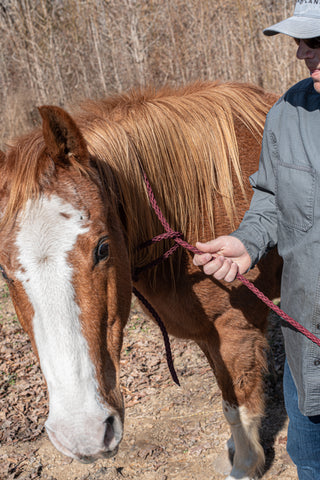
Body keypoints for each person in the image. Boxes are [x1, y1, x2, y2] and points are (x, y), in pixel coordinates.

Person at [193, 1, 320, 479]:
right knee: (309, 459)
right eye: (299, 42)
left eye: (316, 41)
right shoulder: (287, 113)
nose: (303, 54)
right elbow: (269, 199)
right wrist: (246, 243)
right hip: (307, 337)